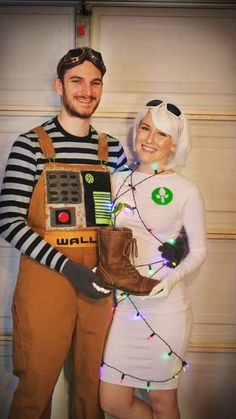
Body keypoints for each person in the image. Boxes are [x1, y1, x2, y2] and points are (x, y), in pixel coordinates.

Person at [0, 47, 130, 419]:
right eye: (77, 81)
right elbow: (9, 221)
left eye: (95, 82)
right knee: (35, 389)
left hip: (99, 287)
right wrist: (69, 268)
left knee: (94, 388)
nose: (87, 90)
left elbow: (125, 218)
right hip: (46, 283)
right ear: (59, 85)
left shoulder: (113, 151)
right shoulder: (30, 146)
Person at [99, 99, 207, 419]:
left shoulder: (185, 189)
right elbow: (101, 236)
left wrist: (171, 278)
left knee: (163, 403)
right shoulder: (115, 182)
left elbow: (199, 250)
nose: (149, 139)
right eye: (145, 128)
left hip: (166, 310)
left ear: (174, 145)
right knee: (111, 401)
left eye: (161, 134)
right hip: (125, 310)